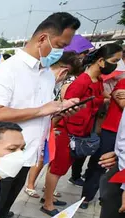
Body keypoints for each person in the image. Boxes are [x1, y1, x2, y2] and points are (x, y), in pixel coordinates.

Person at [0, 12, 81, 218]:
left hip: (28, 154)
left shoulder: (46, 75)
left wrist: (60, 111)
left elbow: (41, 112)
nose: (60, 51)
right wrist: (41, 110)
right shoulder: (7, 71)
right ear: (43, 39)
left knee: (5, 205)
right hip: (2, 155)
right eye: (59, 45)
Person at [40, 43, 122, 216]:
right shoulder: (81, 82)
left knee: (61, 167)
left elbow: (97, 100)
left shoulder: (98, 80)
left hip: (81, 131)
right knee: (58, 168)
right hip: (68, 131)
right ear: (101, 61)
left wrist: (107, 98)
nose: (116, 65)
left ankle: (48, 196)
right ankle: (47, 203)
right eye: (114, 61)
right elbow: (66, 109)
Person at [23, 52, 83, 199]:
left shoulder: (50, 85)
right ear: (64, 71)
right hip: (23, 140)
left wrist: (59, 113)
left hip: (39, 136)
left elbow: (46, 114)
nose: (65, 80)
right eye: (67, 76)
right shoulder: (36, 83)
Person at [80, 49, 125, 207]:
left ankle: (110, 196)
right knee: (100, 163)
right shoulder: (122, 82)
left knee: (118, 168)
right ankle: (86, 197)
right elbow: (122, 103)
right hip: (112, 131)